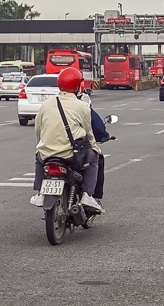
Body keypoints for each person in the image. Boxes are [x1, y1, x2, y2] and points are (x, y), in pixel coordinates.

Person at [30, 67, 112, 212]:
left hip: (47, 154)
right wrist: (95, 147)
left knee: (38, 157)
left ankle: (40, 193)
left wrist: (41, 146)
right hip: (71, 155)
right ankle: (87, 195)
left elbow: (38, 130)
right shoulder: (82, 106)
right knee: (95, 158)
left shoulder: (46, 105)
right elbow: (89, 132)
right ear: (78, 86)